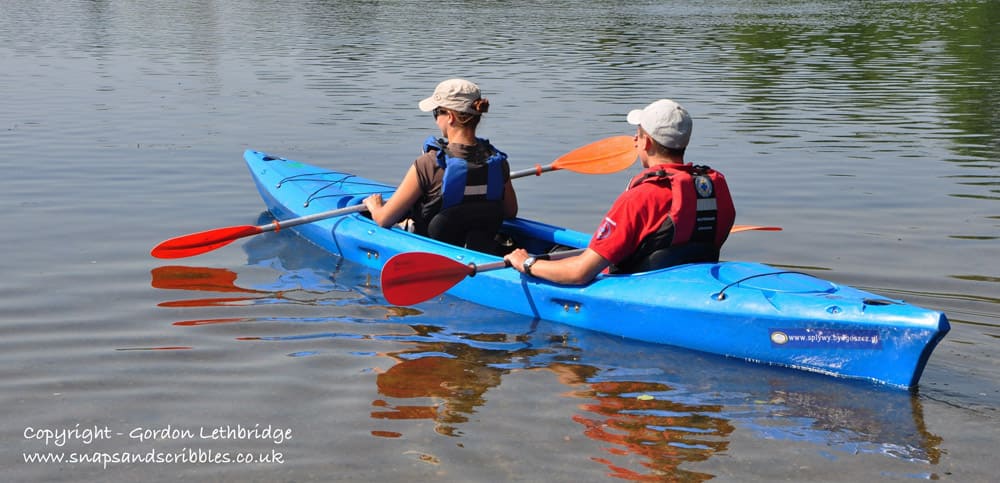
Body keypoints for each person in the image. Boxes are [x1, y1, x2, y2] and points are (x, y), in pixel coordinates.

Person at [504, 99, 735, 284]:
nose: (634, 138)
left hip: (638, 287)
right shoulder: (715, 186)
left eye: (639, 133)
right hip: (691, 283)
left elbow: (579, 273)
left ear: (646, 143)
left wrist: (526, 263)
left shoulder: (642, 196)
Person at [363, 79, 518, 252]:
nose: (436, 120)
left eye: (437, 113)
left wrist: (374, 206)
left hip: (434, 252)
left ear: (450, 117)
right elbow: (510, 211)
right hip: (481, 249)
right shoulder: (498, 162)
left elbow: (384, 219)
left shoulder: (428, 164)